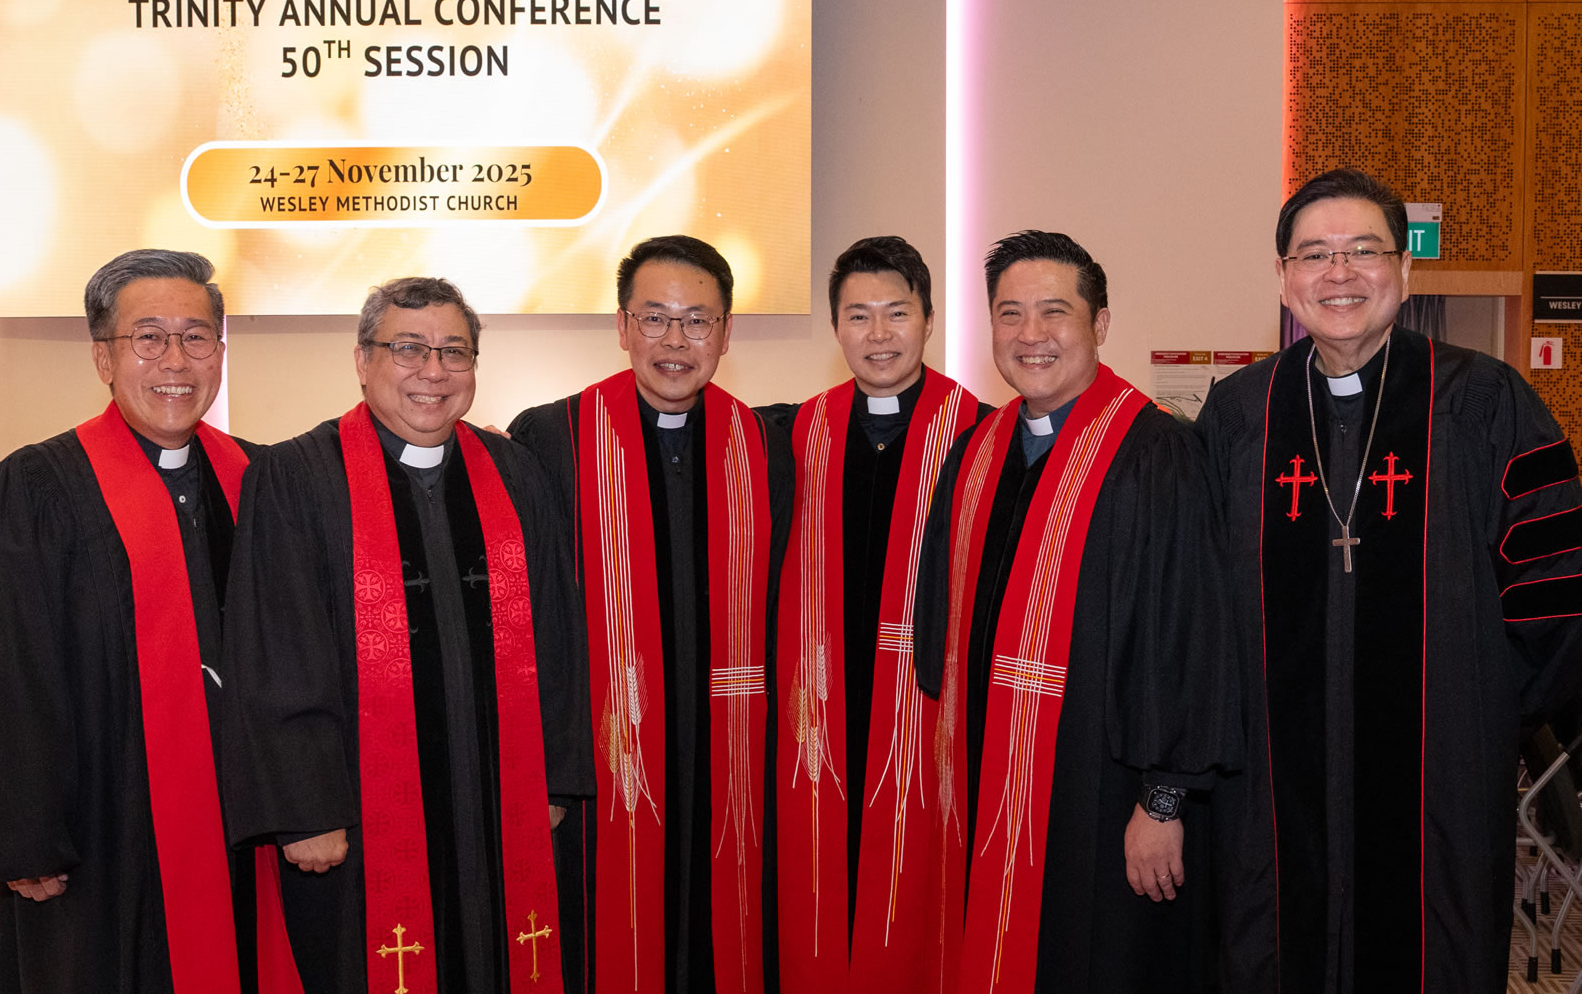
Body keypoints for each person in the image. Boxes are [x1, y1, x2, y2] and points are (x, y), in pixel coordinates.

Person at [1200, 168, 1582, 993]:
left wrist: (1476, 707)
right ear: (1283, 277)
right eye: (1314, 254)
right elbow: (1199, 608)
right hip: (1272, 792)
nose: (1338, 273)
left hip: (1439, 784)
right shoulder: (1238, 417)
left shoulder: (1487, 404)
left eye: (1363, 250)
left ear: (1405, 269)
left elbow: (1556, 584)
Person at [218, 277, 592, 993]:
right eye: (409, 349)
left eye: (455, 352)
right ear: (363, 360)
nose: (434, 371)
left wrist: (553, 777)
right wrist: (305, 810)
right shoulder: (297, 477)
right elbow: (276, 648)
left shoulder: (514, 472)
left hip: (497, 794)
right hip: (358, 815)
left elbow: (556, 631)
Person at [0, 250, 299, 993]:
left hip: (244, 828)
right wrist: (25, 838)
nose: (175, 360)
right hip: (100, 838)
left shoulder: (261, 480)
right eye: (148, 337)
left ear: (219, 352)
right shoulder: (37, 489)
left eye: (196, 337)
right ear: (102, 357)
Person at [913, 230, 1239, 993]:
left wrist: (1163, 800)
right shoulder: (977, 454)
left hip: (1104, 802)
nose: (1031, 334)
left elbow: (1187, 639)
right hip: (992, 786)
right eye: (1010, 313)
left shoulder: (1154, 454)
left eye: (1054, 312)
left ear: (1100, 323)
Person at [509, 234, 793, 993]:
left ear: (726, 334)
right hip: (602, 758)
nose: (675, 341)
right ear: (622, 325)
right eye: (655, 318)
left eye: (697, 321)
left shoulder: (765, 447)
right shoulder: (552, 438)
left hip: (726, 755)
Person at [758, 236, 980, 989]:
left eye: (897, 313)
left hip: (926, 714)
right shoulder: (792, 436)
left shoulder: (979, 433)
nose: (878, 334)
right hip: (817, 711)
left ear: (929, 320)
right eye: (858, 316)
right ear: (835, 328)